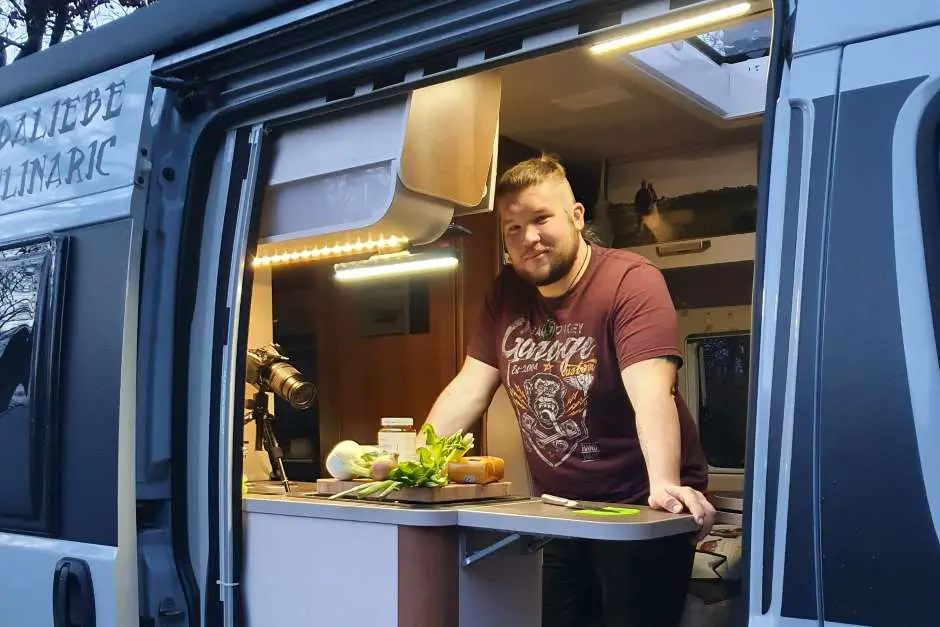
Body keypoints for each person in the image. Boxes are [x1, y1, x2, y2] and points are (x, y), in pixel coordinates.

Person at [423, 154, 714, 627]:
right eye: (512, 229)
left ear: (577, 217)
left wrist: (663, 483)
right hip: (560, 510)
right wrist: (418, 462)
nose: (528, 239)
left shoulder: (630, 280)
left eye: (541, 219)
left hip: (637, 510)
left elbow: (651, 393)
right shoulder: (506, 292)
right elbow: (469, 388)